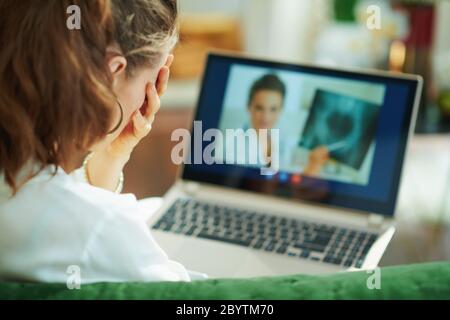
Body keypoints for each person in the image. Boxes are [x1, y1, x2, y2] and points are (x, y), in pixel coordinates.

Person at [0, 0, 190, 283]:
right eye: (151, 84)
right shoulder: (97, 229)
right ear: (110, 71)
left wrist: (113, 154)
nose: (148, 102)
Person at [244, 74, 330, 176]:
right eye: (259, 108)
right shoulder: (232, 146)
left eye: (273, 109)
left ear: (281, 110)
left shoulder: (283, 139)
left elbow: (286, 179)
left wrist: (313, 165)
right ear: (249, 107)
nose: (266, 117)